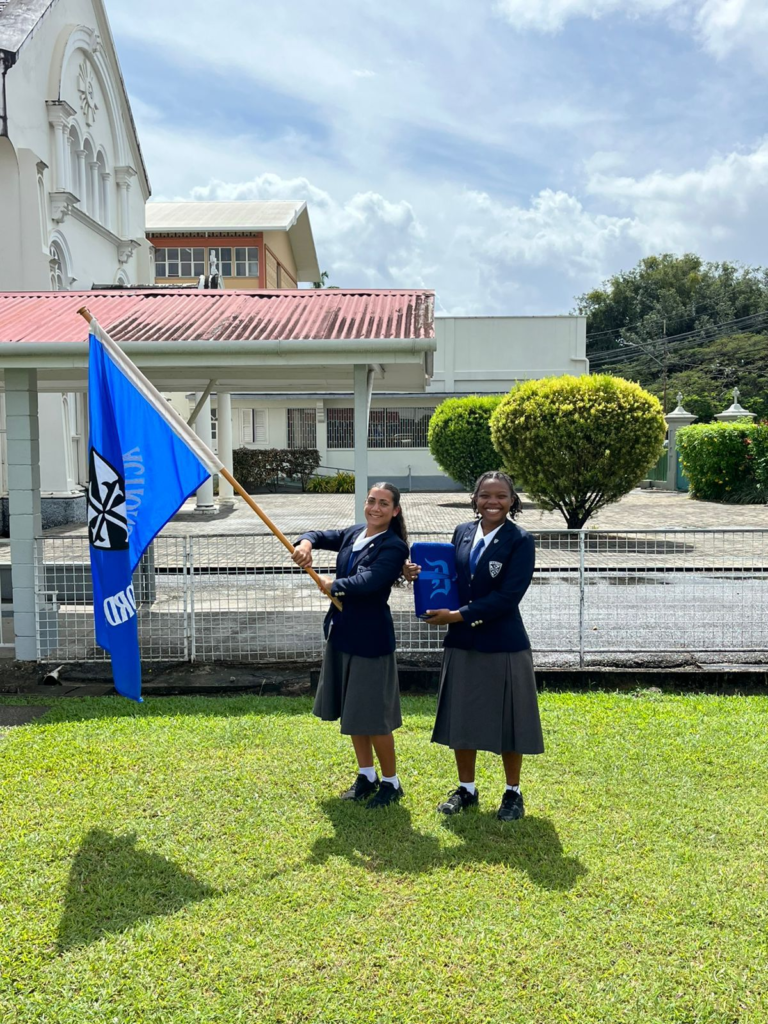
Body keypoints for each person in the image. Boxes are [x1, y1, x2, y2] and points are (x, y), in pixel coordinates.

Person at [404, 471, 543, 821]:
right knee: (462, 719)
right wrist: (416, 575)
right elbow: (448, 577)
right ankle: (466, 789)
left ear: (513, 500)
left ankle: (512, 793)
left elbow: (508, 597)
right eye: (485, 495)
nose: (492, 502)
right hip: (462, 641)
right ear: (475, 499)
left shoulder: (520, 540)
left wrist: (457, 616)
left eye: (501, 496)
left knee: (510, 722)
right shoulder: (462, 532)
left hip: (503, 643)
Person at [292, 482, 410, 809]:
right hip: (342, 633)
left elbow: (371, 581)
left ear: (395, 511)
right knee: (353, 711)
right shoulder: (354, 533)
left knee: (375, 717)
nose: (375, 508)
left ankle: (391, 782)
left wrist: (334, 585)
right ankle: (366, 775)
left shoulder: (394, 546)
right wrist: (305, 544)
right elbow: (317, 534)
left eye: (383, 503)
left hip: (371, 639)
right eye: (372, 501)